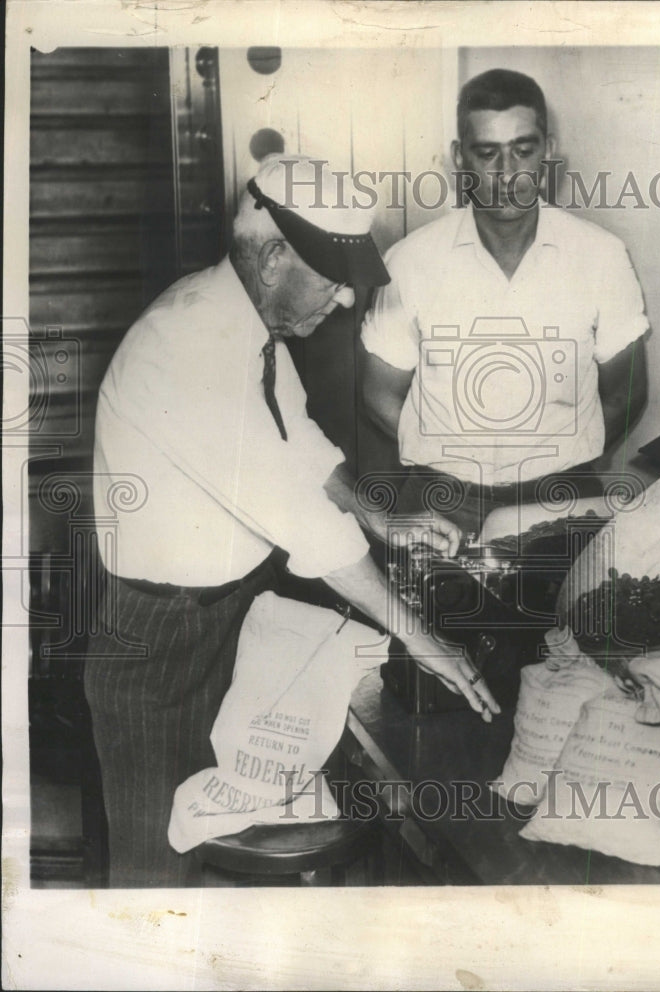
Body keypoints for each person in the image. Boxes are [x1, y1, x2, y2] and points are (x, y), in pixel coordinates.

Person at [84, 154, 499, 888]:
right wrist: (425, 639)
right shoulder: (187, 350)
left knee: (220, 826)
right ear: (275, 256)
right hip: (157, 647)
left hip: (226, 618)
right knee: (155, 870)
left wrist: (385, 520)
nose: (344, 302)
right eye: (335, 280)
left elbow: (299, 441)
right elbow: (306, 527)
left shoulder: (249, 326)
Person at [361, 68, 649, 536]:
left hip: (559, 501)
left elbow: (627, 390)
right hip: (443, 502)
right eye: (487, 152)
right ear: (460, 156)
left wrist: (559, 463)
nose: (506, 173)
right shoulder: (410, 261)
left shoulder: (601, 255)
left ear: (548, 152)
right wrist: (452, 461)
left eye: (523, 149)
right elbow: (378, 394)